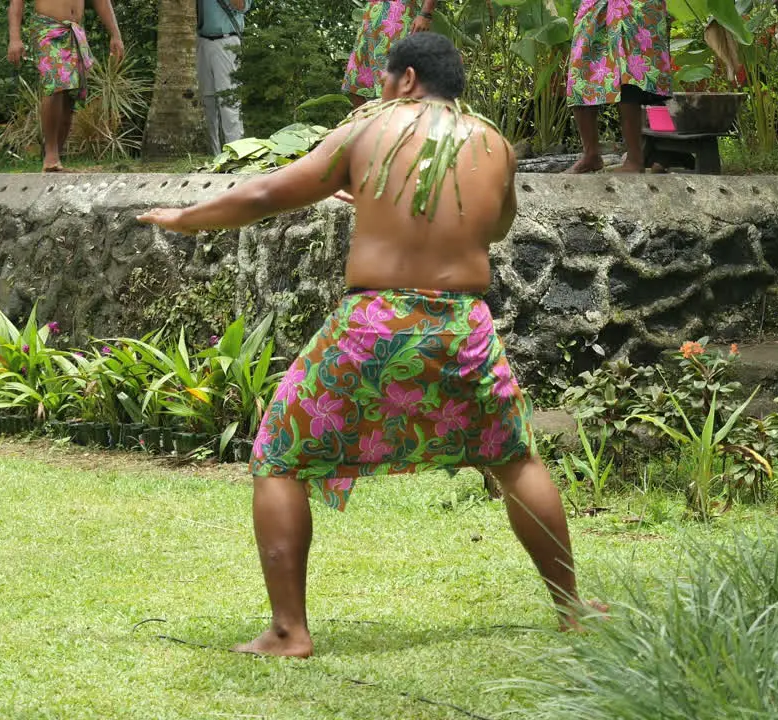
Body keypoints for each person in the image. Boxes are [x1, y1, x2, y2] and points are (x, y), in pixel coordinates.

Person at [139, 32, 592, 658]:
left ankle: (288, 631)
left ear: (406, 79)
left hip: (377, 322)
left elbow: (270, 193)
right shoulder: (494, 143)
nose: (380, 91)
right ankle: (571, 610)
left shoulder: (370, 130)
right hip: (463, 325)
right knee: (514, 457)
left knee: (278, 453)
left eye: (384, 80)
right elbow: (498, 224)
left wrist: (184, 216)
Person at [7, 0, 125, 172]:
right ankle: (51, 154)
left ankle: (55, 158)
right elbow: (16, 3)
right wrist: (15, 38)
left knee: (71, 94)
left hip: (74, 30)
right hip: (47, 29)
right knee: (56, 83)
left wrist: (115, 34)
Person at [565, 0, 672, 173]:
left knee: (631, 75)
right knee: (581, 73)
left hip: (636, 6)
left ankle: (636, 159)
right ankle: (591, 155)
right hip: (595, 5)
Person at [342, 0, 436, 108]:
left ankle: (396, 121)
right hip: (372, 13)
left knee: (395, 81)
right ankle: (371, 123)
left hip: (399, 14)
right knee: (356, 82)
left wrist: (425, 14)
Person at [196, 0, 249, 155]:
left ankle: (236, 154)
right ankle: (214, 155)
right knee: (206, 102)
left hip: (227, 40)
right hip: (201, 40)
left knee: (229, 101)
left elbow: (242, 6)